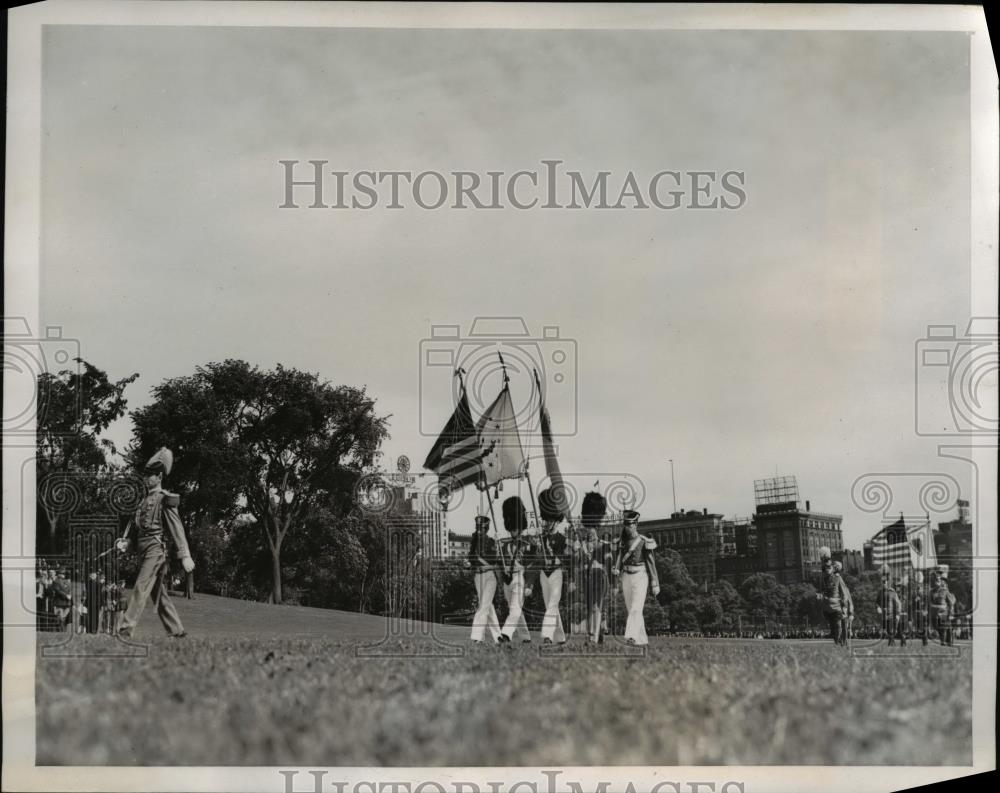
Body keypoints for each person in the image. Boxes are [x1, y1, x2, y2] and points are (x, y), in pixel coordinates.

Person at [118, 447, 195, 638]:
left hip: (155, 549)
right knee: (157, 593)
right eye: (146, 474)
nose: (147, 478)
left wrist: (184, 554)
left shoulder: (164, 499)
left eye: (151, 475)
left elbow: (176, 528)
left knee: (140, 586)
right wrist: (126, 542)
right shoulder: (143, 501)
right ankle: (177, 630)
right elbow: (136, 527)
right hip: (143, 550)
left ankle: (125, 629)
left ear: (159, 476)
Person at [613, 510, 660, 646]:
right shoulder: (622, 542)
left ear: (636, 524)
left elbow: (651, 562)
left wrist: (654, 582)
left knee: (636, 608)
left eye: (631, 524)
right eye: (626, 524)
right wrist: (615, 581)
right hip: (626, 576)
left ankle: (631, 637)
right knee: (632, 609)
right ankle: (641, 639)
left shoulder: (644, 541)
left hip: (641, 576)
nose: (628, 527)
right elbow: (618, 562)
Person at [497, 496, 535, 643]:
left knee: (514, 608)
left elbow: (534, 563)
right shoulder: (503, 544)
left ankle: (505, 634)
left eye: (516, 528)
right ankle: (526, 637)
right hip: (507, 579)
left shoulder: (527, 543)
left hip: (519, 577)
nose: (514, 531)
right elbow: (498, 561)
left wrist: (529, 585)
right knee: (517, 610)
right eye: (512, 529)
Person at [579, 491, 615, 644]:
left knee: (595, 606)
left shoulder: (603, 545)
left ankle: (592, 637)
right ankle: (598, 635)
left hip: (599, 577)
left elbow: (609, 563)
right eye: (589, 533)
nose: (590, 535)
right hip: (586, 577)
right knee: (591, 607)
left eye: (592, 533)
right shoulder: (582, 542)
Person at [535, 487, 568, 645]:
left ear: (556, 520)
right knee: (550, 605)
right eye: (545, 519)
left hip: (556, 573)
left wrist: (552, 557)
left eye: (549, 520)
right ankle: (560, 637)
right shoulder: (540, 538)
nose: (546, 522)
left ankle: (547, 635)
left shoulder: (562, 538)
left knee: (553, 604)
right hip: (544, 573)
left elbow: (564, 558)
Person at [468, 515, 501, 644]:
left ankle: (477, 637)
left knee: (483, 606)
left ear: (486, 528)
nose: (479, 530)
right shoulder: (474, 541)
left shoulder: (492, 542)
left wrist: (497, 545)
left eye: (481, 528)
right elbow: (471, 558)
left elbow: (494, 561)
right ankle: (498, 638)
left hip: (489, 576)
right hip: (478, 576)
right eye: (478, 528)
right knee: (488, 607)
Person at [817, 548, 851, 645]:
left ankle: (839, 644)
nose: (827, 569)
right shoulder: (822, 578)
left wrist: (844, 607)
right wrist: (820, 597)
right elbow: (821, 591)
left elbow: (844, 594)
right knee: (833, 629)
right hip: (827, 608)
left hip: (837, 606)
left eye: (829, 567)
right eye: (825, 567)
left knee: (838, 625)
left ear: (832, 568)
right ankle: (839, 642)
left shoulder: (837, 578)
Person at [929, 565, 956, 646]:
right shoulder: (932, 591)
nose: (937, 581)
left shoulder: (944, 590)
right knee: (938, 628)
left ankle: (945, 642)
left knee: (945, 628)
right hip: (935, 614)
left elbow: (951, 602)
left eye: (938, 581)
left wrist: (951, 613)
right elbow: (930, 603)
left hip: (944, 613)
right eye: (935, 581)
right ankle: (945, 641)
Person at [877, 573, 904, 646]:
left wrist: (898, 614)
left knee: (893, 629)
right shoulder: (880, 592)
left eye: (885, 582)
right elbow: (877, 602)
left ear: (887, 583)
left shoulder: (892, 592)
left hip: (892, 613)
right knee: (889, 629)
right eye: (882, 582)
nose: (883, 583)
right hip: (885, 614)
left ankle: (893, 642)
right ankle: (896, 641)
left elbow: (898, 603)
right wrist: (878, 607)